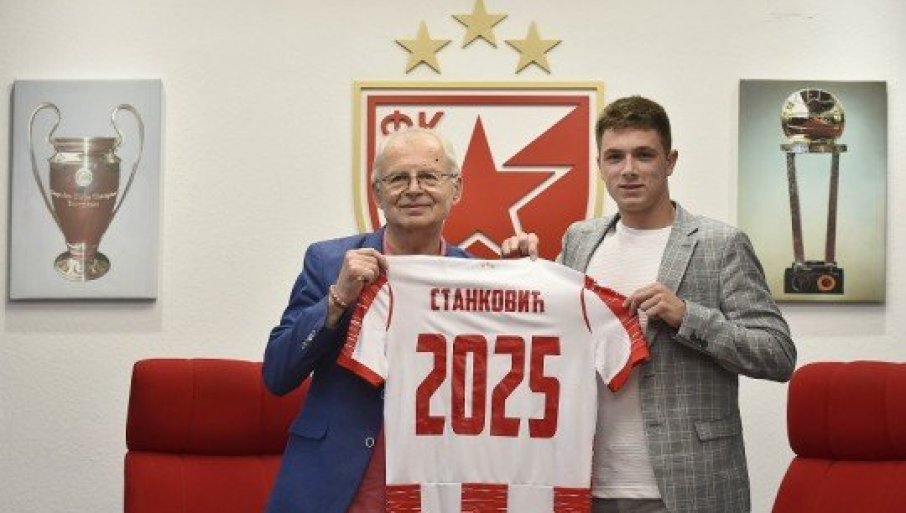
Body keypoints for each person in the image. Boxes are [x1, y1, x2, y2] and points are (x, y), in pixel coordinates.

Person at [502, 95, 796, 513]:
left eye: (644, 155)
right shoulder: (579, 240)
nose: (629, 169)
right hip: (586, 482)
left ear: (670, 161)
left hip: (689, 485)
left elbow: (778, 355)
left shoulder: (720, 244)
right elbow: (551, 342)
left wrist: (688, 316)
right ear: (600, 165)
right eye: (615, 157)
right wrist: (523, 280)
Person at [262, 127, 469, 513]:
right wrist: (337, 299)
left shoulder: (476, 277)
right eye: (398, 178)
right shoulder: (328, 262)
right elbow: (278, 374)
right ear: (377, 194)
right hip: (333, 485)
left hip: (434, 485)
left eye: (428, 176)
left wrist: (526, 275)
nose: (413, 189)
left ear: (455, 189)